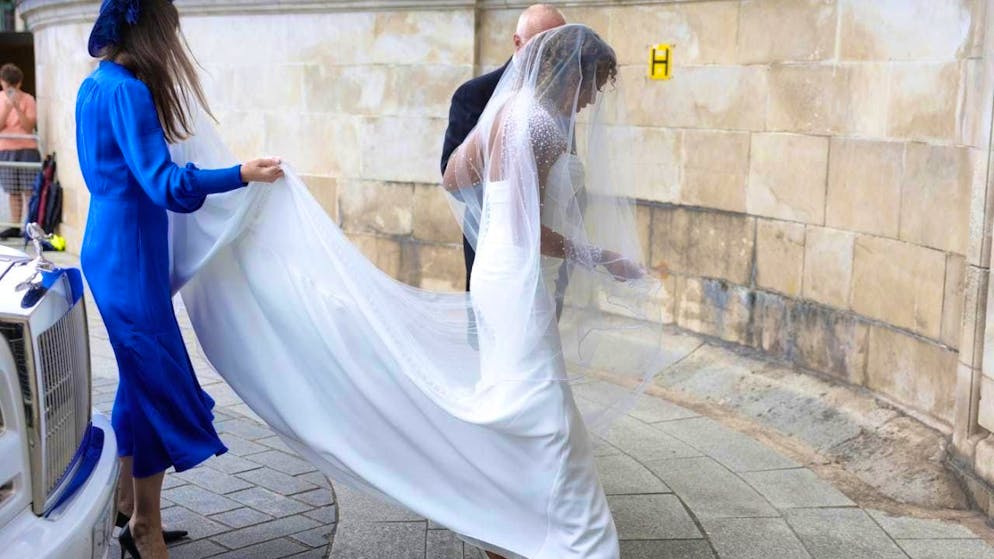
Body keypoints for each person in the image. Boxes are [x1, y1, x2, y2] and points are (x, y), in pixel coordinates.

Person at [166, 24, 666, 559]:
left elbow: (454, 177)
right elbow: (527, 229)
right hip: (518, 276)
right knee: (539, 406)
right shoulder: (542, 126)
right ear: (573, 73)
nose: (592, 99)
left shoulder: (506, 111)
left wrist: (491, 218)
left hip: (496, 273)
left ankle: (509, 519)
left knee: (514, 395)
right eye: (594, 84)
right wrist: (597, 256)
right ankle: (568, 536)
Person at [75, 1, 283, 558]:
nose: (173, 45)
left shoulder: (94, 86)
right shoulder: (130, 92)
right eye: (169, 32)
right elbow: (164, 184)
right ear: (149, 31)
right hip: (131, 256)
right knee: (154, 386)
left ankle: (126, 506)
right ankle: (144, 525)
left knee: (137, 378)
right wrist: (239, 173)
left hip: (107, 245)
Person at [441, 4, 565, 290]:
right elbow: (451, 175)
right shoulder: (475, 94)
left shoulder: (566, 95)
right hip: (496, 251)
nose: (554, 56)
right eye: (543, 45)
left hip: (551, 255)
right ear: (517, 42)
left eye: (559, 45)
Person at [0, 63, 40, 238]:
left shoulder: (28, 100)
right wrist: (7, 107)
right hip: (6, 150)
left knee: (29, 190)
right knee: (13, 190)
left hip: (27, 149)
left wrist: (17, 106)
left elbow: (29, 127)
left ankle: (29, 225)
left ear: (19, 84)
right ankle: (15, 226)